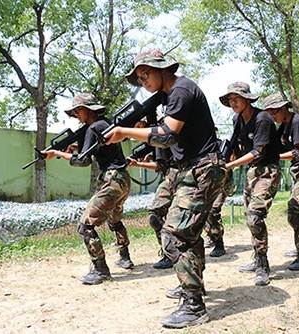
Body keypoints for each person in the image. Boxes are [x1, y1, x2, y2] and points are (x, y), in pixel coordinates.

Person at [105, 49, 226, 328]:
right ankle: (192, 289)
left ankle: (194, 307)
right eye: (139, 77)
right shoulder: (167, 96)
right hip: (191, 168)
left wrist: (125, 132)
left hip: (202, 168)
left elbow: (168, 135)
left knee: (173, 236)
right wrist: (140, 125)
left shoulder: (182, 90)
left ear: (162, 70)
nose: (143, 81)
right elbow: (164, 135)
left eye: (146, 74)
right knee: (190, 235)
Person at [42, 93, 133, 285]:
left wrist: (58, 154)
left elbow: (83, 161)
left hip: (112, 180)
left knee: (85, 225)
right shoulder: (103, 124)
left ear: (87, 110)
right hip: (122, 178)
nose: (75, 115)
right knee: (115, 221)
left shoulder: (93, 128)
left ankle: (101, 270)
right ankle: (125, 257)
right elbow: (91, 150)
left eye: (77, 110)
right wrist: (72, 148)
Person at [221, 82, 281, 286]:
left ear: (247, 99)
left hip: (267, 171)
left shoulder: (262, 118)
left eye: (236, 98)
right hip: (252, 172)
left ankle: (263, 264)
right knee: (249, 216)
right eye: (230, 99)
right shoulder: (237, 119)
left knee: (255, 216)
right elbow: (236, 145)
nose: (233, 102)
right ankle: (257, 258)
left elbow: (257, 152)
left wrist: (230, 165)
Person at [263, 93, 299, 270]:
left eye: (274, 112)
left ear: (283, 108)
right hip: (297, 172)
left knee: (295, 210)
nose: (272, 116)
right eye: (269, 113)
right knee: (294, 210)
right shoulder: (283, 126)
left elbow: (298, 153)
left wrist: (274, 156)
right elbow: (276, 146)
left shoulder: (297, 123)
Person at [128, 146, 176, 269]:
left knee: (155, 215)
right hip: (178, 176)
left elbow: (159, 166)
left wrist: (138, 164)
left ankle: (169, 254)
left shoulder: (160, 134)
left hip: (174, 176)